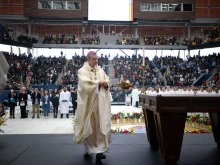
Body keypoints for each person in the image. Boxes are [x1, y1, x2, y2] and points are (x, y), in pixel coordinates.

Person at [74, 50, 111, 161]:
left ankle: (100, 152)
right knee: (89, 127)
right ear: (88, 59)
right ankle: (88, 150)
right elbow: (85, 85)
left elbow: (107, 80)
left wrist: (106, 83)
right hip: (89, 105)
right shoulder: (82, 71)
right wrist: (98, 83)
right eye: (94, 59)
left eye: (97, 59)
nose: (96, 61)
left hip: (100, 104)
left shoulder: (100, 70)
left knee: (100, 126)